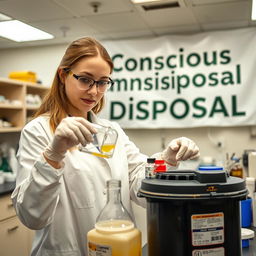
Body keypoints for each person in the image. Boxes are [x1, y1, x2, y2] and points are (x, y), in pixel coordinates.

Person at [11, 37, 200, 256]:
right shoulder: (38, 131)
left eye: (102, 82)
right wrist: (53, 155)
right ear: (63, 75)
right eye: (85, 79)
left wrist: (166, 160)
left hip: (120, 249)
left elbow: (140, 187)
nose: (94, 91)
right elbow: (32, 216)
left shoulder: (112, 131)